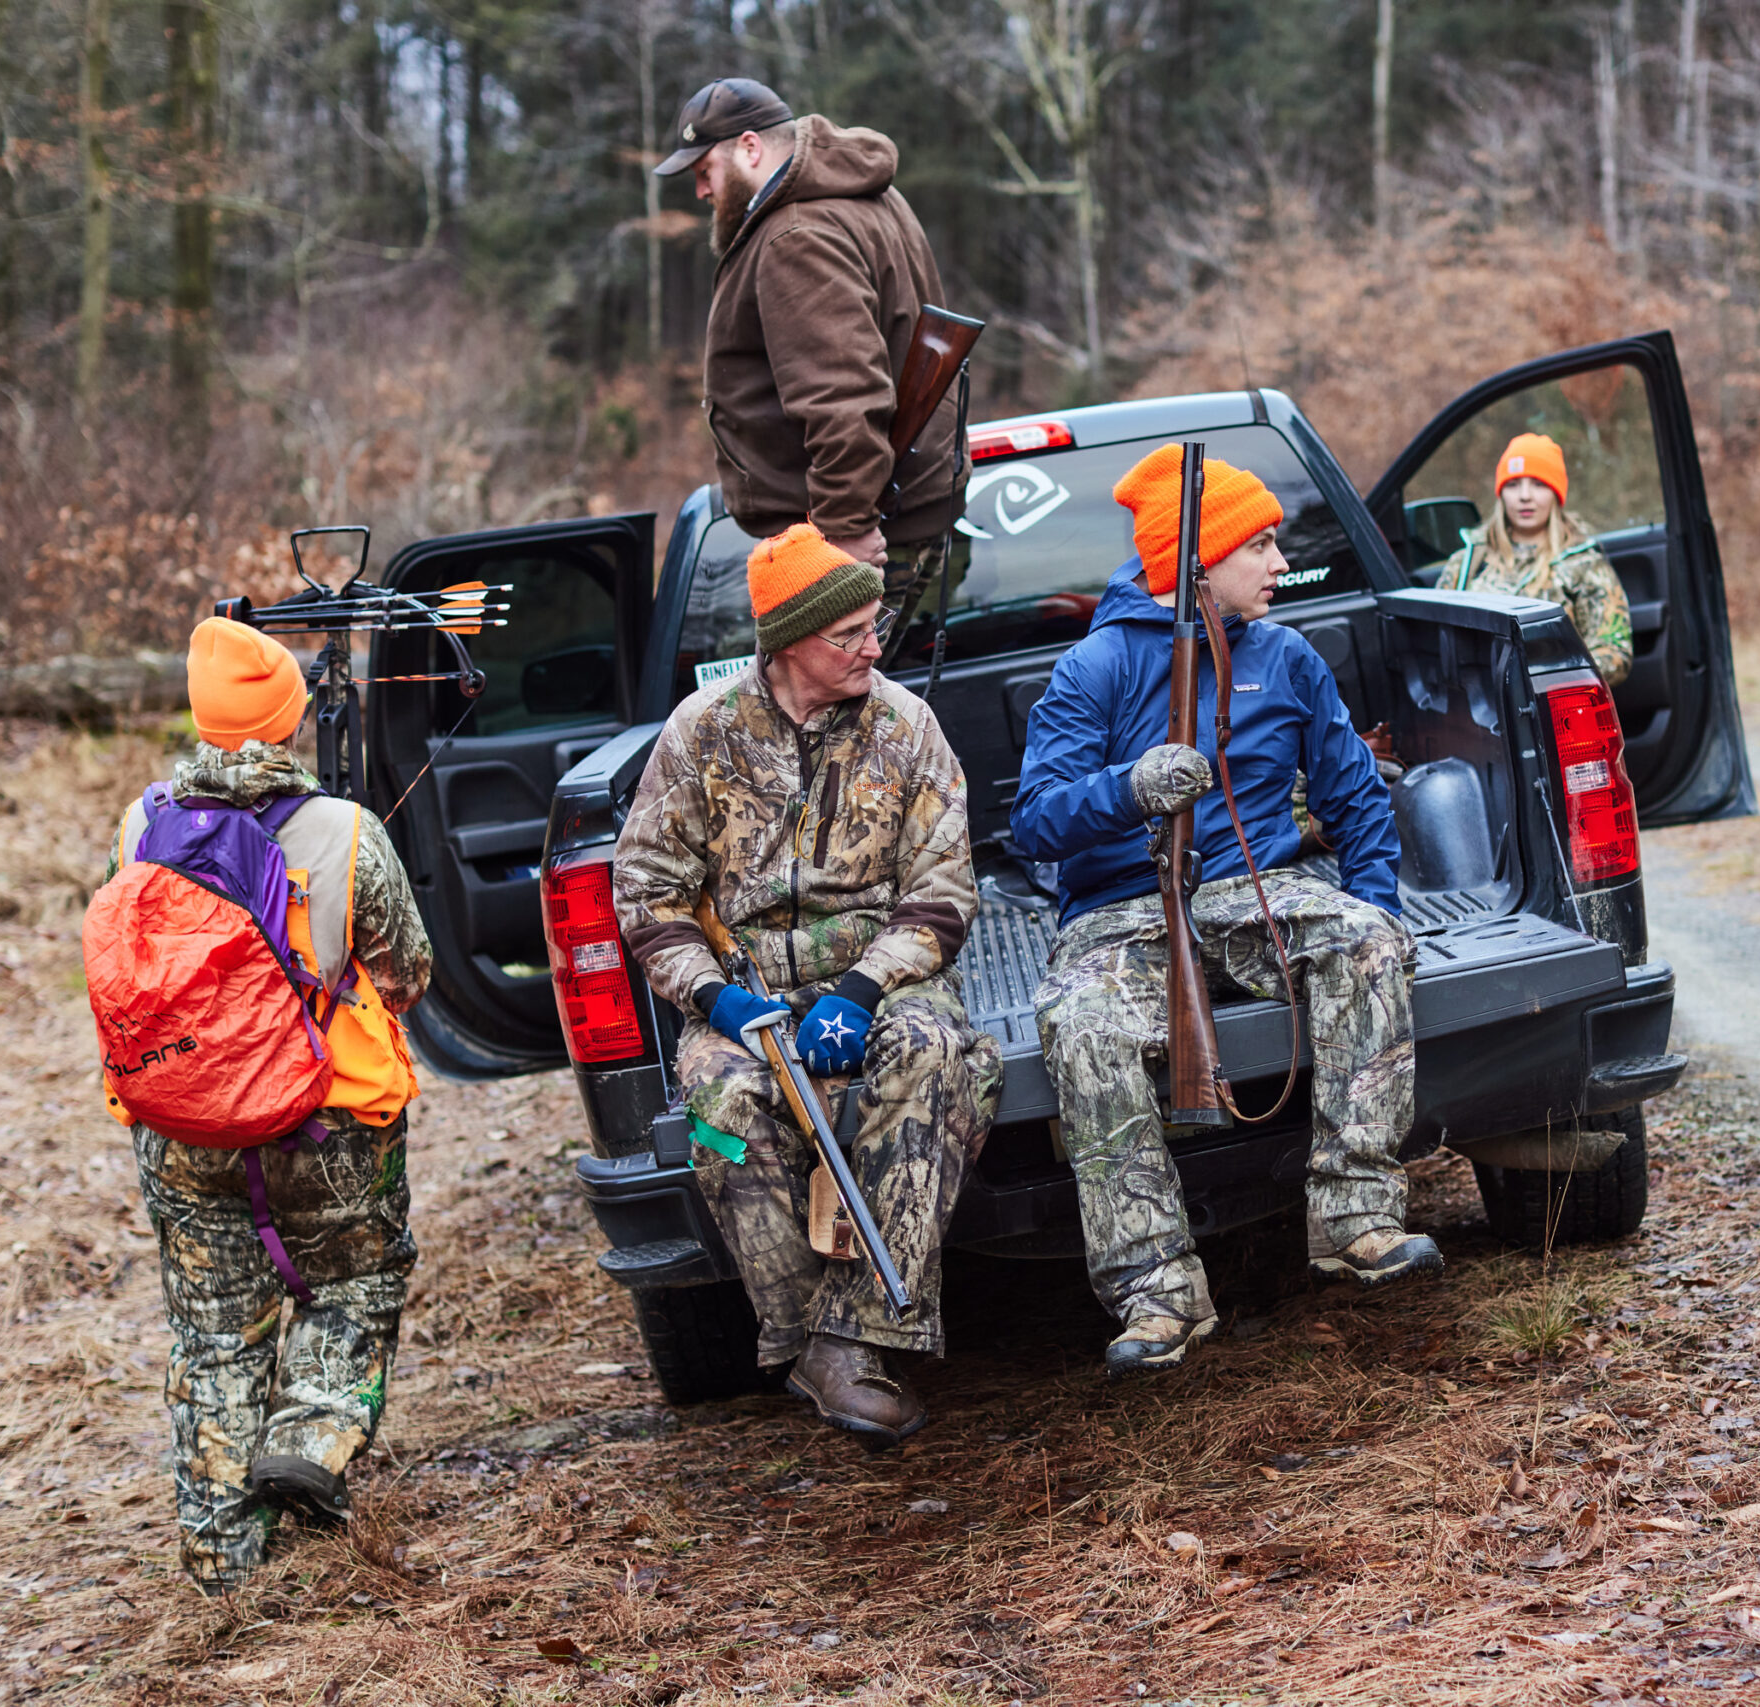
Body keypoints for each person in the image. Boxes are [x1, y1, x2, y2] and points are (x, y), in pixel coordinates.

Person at [1011, 446, 1442, 1381]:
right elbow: (1035, 821)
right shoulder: (1095, 668)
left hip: (1253, 892)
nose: (1282, 564)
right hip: (1121, 909)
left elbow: (1358, 796)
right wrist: (1127, 791)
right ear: (1197, 564)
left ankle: (1356, 1215)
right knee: (1078, 1024)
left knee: (1367, 942)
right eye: (1262, 545)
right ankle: (1157, 1285)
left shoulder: (1286, 657)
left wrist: (1375, 907)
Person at [613, 525, 1001, 1446]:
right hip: (744, 987)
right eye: (853, 633)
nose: (875, 646)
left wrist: (863, 991)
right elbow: (646, 891)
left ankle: (862, 1330)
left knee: (940, 1055)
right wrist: (718, 1002)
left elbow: (944, 894)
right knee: (719, 1113)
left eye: (877, 626)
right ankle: (808, 1344)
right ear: (788, 643)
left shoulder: (908, 727)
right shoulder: (699, 734)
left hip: (879, 973)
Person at [101, 618, 433, 1595]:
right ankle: (312, 1431)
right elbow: (406, 972)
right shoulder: (345, 833)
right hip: (320, 1120)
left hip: (181, 1127)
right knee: (357, 1280)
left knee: (212, 1333)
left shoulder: (140, 823)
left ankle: (222, 1565)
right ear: (295, 722)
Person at [653, 77, 970, 633]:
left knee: (824, 717)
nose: (701, 191)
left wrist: (843, 534)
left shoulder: (793, 236)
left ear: (750, 148)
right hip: (902, 511)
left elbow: (843, 400)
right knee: (872, 714)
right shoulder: (866, 196)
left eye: (706, 171)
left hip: (858, 534)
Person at [1442, 432, 1633, 688]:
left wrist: (1549, 682)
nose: (1524, 496)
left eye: (1538, 484)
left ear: (1556, 493)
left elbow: (1614, 651)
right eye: (1513, 484)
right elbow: (1438, 641)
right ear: (1501, 494)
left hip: (1551, 710)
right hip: (1474, 707)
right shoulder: (1466, 563)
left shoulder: (1584, 563)